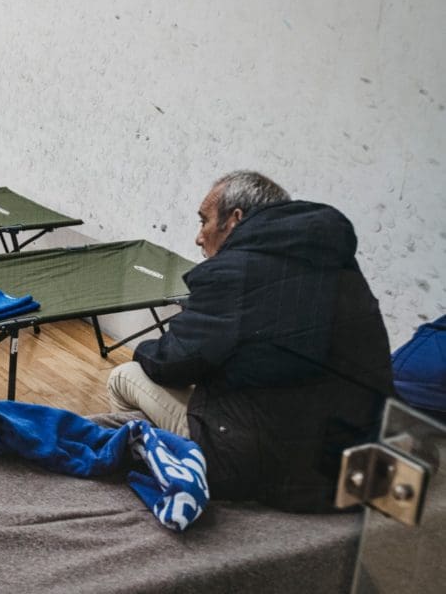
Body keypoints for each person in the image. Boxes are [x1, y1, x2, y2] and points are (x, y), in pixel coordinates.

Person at [106, 170, 394, 513]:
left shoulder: (231, 274)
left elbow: (171, 363)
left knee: (124, 376)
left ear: (234, 220)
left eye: (204, 221)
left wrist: (143, 349)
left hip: (272, 470)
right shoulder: (338, 261)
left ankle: (153, 479)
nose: (199, 237)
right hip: (354, 459)